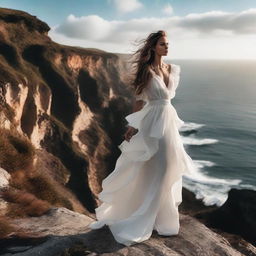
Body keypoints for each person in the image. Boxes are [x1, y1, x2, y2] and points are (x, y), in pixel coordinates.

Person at [89, 30, 196, 246]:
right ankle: (141, 218)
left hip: (168, 121)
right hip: (152, 121)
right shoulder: (146, 71)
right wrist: (132, 125)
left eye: (168, 44)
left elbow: (168, 98)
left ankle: (160, 218)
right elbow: (139, 100)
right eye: (163, 44)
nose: (167, 47)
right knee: (156, 167)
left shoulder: (172, 69)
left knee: (168, 167)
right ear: (154, 47)